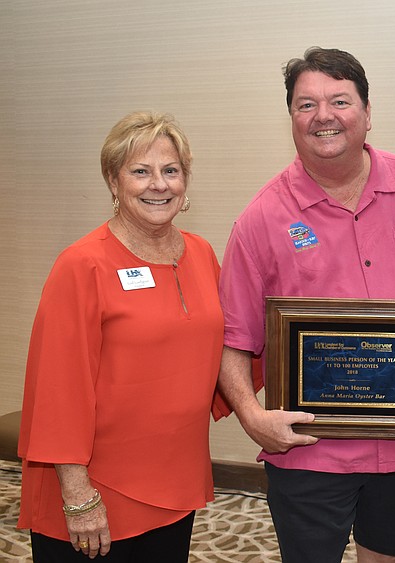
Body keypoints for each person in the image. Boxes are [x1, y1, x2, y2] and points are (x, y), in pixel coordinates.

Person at [215, 47, 395, 563]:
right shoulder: (261, 219)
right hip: (309, 449)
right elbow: (233, 338)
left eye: (339, 100)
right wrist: (250, 415)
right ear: (290, 117)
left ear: (366, 111)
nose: (323, 116)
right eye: (306, 104)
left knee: (386, 555)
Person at [17, 111, 224, 561]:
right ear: (113, 181)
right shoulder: (83, 265)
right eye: (140, 171)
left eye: (170, 170)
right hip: (99, 491)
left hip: (176, 478)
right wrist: (78, 494)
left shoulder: (202, 254)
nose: (159, 184)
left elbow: (227, 346)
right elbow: (57, 388)